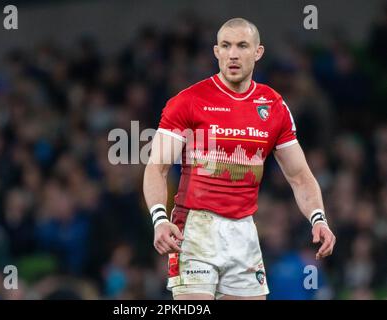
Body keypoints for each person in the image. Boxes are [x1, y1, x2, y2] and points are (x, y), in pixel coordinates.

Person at [142, 17, 336, 300]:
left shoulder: (273, 106)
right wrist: (159, 219)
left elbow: (299, 176)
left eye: (242, 46)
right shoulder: (187, 101)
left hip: (244, 230)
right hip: (195, 229)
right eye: (226, 46)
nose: (233, 54)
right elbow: (157, 168)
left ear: (258, 53)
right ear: (216, 52)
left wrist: (319, 219)